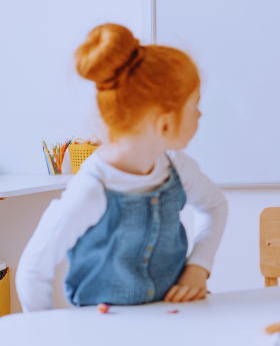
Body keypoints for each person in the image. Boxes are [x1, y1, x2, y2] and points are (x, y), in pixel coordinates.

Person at [17, 24, 228, 311]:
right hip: (104, 335)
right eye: (195, 105)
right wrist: (47, 337)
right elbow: (32, 270)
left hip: (173, 319)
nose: (200, 114)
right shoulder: (92, 188)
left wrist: (199, 267)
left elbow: (214, 205)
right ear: (164, 124)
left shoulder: (178, 167)